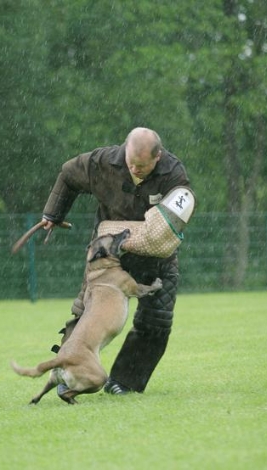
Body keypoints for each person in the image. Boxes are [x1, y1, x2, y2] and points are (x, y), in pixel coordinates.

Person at [41, 127, 192, 394]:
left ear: (158, 157)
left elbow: (179, 214)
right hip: (107, 255)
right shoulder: (103, 162)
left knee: (156, 322)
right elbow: (68, 174)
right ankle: (66, 374)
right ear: (125, 150)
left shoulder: (173, 174)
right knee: (85, 314)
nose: (134, 169)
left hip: (157, 259)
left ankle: (123, 383)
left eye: (142, 165)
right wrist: (53, 213)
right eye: (130, 162)